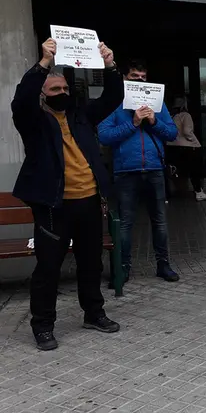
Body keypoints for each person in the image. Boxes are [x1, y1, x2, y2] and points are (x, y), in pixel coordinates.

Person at [11, 38, 122, 351]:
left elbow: (113, 97)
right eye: (54, 89)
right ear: (43, 94)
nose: (61, 93)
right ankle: (43, 325)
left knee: (91, 263)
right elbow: (21, 100)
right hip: (53, 207)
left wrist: (110, 65)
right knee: (48, 268)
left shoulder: (81, 115)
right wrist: (44, 62)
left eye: (64, 88)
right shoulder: (32, 121)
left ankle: (94, 313)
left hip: (88, 202)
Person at [97, 60, 180, 285]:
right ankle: (123, 268)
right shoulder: (115, 103)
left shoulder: (157, 104)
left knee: (160, 221)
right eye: (135, 76)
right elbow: (103, 135)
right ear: (124, 78)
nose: (140, 80)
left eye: (143, 77)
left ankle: (163, 265)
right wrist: (133, 123)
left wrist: (153, 121)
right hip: (126, 171)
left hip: (154, 169)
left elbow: (172, 133)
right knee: (125, 223)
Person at [168, 96, 206, 201]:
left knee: (174, 170)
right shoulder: (186, 115)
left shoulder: (172, 116)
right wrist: (192, 139)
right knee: (195, 170)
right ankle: (199, 192)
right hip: (188, 147)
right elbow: (187, 131)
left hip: (173, 145)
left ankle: (168, 194)